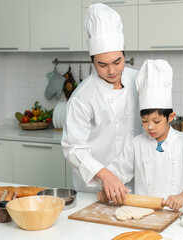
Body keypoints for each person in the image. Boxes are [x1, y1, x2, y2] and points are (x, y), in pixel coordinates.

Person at [98, 59, 183, 210]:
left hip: (177, 213)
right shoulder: (135, 144)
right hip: (142, 211)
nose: (150, 127)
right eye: (144, 121)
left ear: (170, 117)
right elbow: (118, 170)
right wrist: (108, 188)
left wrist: (182, 196)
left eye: (156, 121)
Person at [61, 3, 142, 203]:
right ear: (91, 58)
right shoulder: (82, 97)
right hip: (95, 187)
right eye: (102, 65)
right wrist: (106, 175)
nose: (112, 71)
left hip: (137, 183)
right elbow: (74, 148)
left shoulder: (139, 80)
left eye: (117, 62)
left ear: (124, 51)